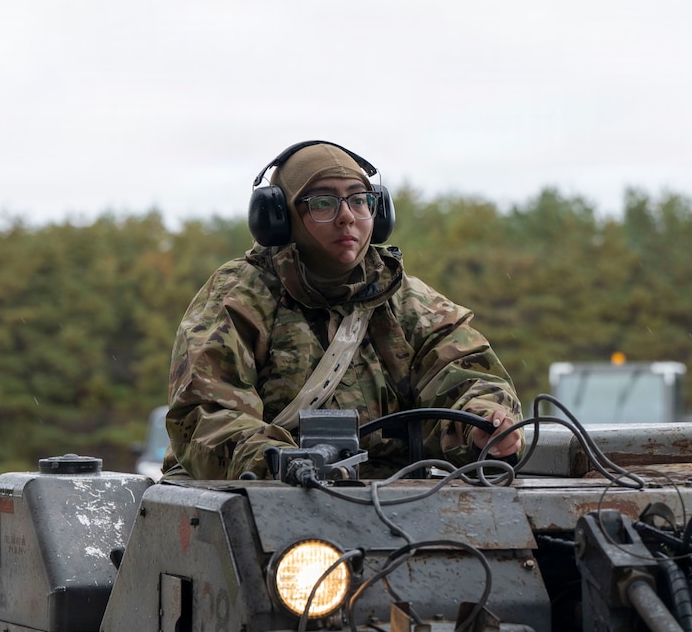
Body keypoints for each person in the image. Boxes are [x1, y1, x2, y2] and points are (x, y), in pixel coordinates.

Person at [164, 141, 523, 480]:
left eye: (360, 200)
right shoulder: (239, 296)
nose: (347, 217)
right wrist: (275, 461)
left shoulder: (407, 301)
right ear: (280, 216)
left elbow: (468, 374)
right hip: (255, 496)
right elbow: (205, 413)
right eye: (323, 203)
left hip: (390, 503)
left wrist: (481, 423)